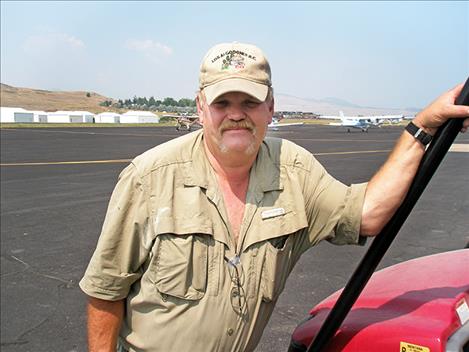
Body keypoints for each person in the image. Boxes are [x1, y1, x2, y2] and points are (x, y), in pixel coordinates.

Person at [79, 42, 469, 352]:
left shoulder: (294, 170)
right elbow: (105, 290)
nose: (236, 114)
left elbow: (368, 213)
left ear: (270, 107)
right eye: (222, 103)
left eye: (249, 102)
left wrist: (422, 128)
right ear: (200, 108)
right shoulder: (149, 178)